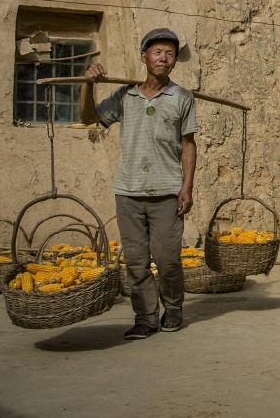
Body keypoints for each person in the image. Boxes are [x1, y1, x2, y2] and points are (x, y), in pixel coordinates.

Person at [79, 27, 197, 340]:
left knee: (167, 259)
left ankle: (173, 307)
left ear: (174, 61)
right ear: (144, 57)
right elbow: (90, 118)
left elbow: (188, 145)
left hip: (167, 191)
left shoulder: (182, 98)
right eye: (158, 52)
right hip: (128, 191)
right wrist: (87, 85)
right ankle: (145, 318)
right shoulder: (125, 96)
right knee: (136, 261)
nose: (164, 58)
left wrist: (187, 188)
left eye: (170, 53)